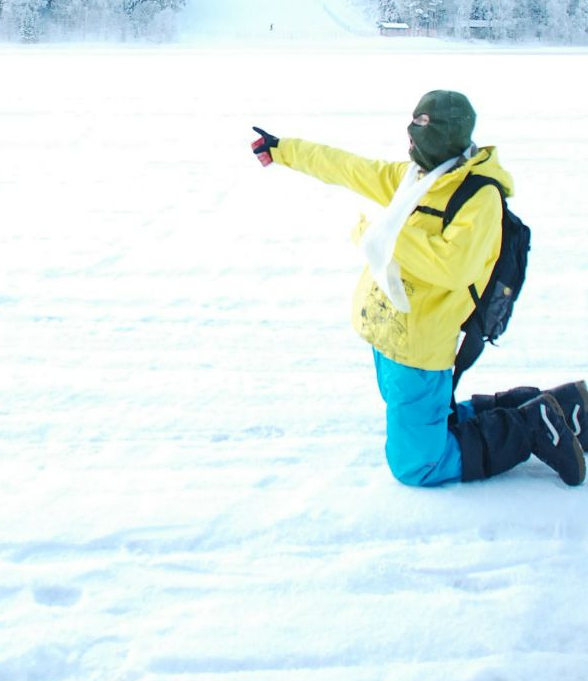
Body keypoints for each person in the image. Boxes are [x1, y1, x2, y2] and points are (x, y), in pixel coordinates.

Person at [251, 90, 586, 487]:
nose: (410, 136)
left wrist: (377, 235)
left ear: (443, 135)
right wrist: (284, 149)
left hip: (420, 343)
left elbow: (450, 267)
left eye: (420, 128)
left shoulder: (479, 198)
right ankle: (551, 407)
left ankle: (532, 426)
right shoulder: (415, 177)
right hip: (387, 332)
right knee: (424, 416)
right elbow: (348, 167)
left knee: (417, 464)